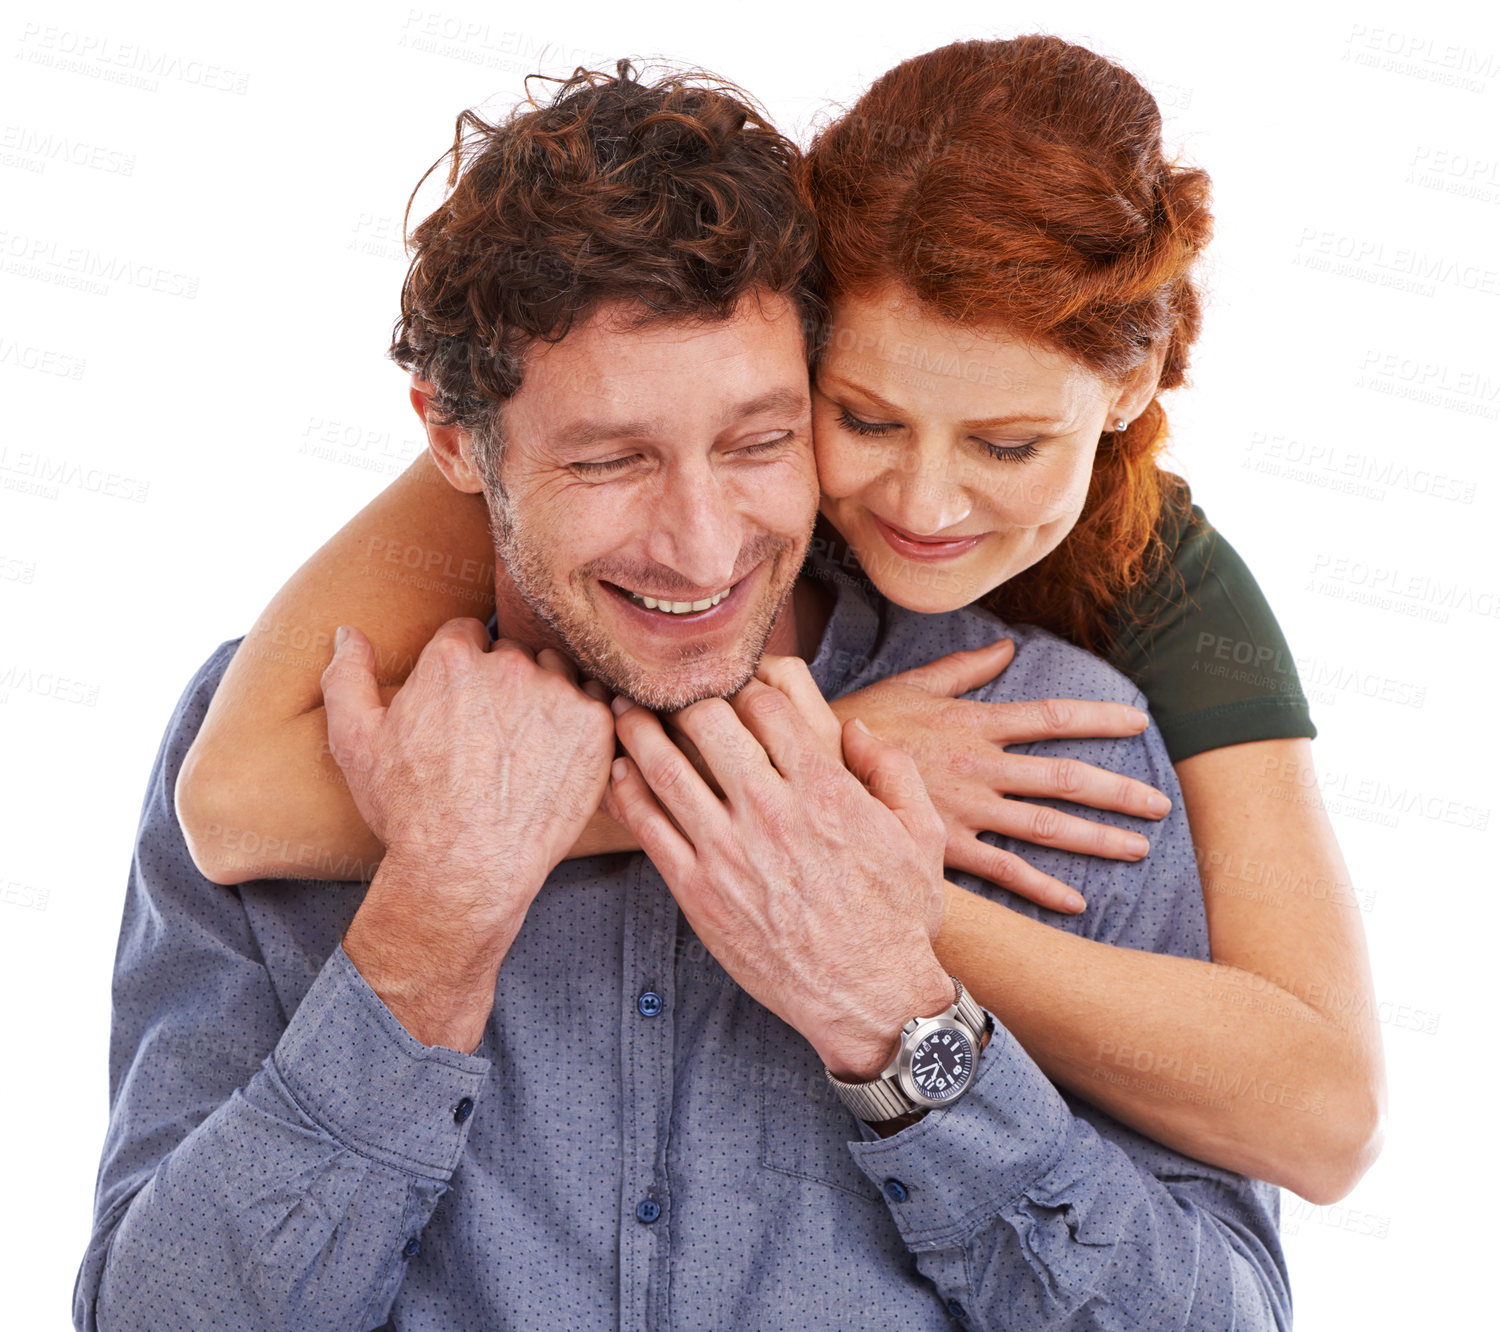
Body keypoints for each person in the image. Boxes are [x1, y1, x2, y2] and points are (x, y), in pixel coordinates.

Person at [76, 58, 1292, 1330]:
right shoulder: (285, 748)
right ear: (450, 435)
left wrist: (901, 1020)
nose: (702, 548)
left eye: (762, 441)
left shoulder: (1056, 742)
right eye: (610, 459)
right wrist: (427, 934)